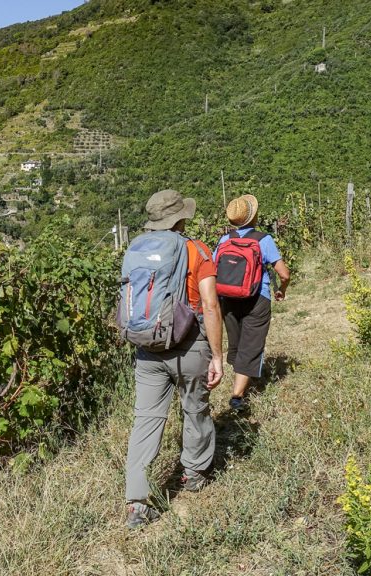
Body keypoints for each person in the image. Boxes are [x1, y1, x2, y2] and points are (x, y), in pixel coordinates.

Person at [124, 189, 224, 528]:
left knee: (146, 419)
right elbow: (210, 305)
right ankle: (193, 472)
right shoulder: (196, 250)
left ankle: (137, 502)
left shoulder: (136, 248)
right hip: (189, 342)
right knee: (194, 407)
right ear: (181, 218)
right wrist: (219, 356)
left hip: (147, 346)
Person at [214, 194, 291, 412]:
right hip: (257, 297)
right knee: (252, 343)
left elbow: (212, 269)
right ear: (253, 216)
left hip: (227, 298)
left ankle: (239, 372)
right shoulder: (263, 239)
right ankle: (237, 396)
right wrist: (281, 290)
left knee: (237, 342)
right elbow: (284, 274)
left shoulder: (224, 241)